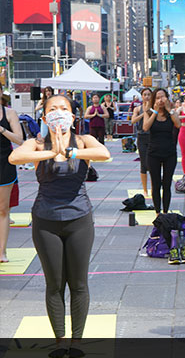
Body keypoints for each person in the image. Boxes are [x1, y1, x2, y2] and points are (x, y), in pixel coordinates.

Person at [8, 94, 110, 357]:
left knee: (78, 283)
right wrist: (52, 152)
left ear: (73, 116)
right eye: (53, 109)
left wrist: (70, 151)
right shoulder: (38, 144)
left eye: (64, 109)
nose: (59, 113)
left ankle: (77, 342)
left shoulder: (83, 140)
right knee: (54, 284)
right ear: (44, 117)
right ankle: (59, 341)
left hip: (79, 220)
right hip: (46, 221)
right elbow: (15, 157)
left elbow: (104, 153)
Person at [143, 88, 181, 215]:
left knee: (167, 183)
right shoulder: (148, 112)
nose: (160, 100)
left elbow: (178, 124)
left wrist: (169, 109)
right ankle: (157, 213)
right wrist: (154, 112)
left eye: (162, 97)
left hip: (169, 152)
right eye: (158, 98)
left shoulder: (171, 113)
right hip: (153, 153)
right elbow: (145, 127)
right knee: (155, 183)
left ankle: (165, 212)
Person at [1, 102, 23, 262]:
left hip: (4, 164)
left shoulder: (9, 113)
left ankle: (2, 251)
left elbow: (20, 140)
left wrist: (2, 129)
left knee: (3, 210)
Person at [130, 88, 152, 197]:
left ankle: (153, 187)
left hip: (152, 137)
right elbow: (133, 120)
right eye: (145, 95)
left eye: (149, 94)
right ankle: (145, 189)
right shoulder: (138, 108)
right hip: (142, 136)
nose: (147, 96)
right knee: (143, 163)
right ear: (142, 96)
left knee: (153, 164)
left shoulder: (154, 108)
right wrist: (144, 114)